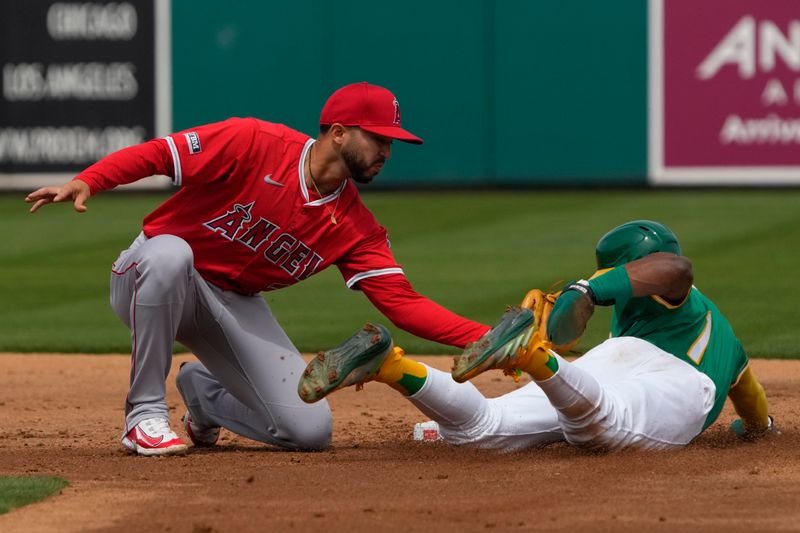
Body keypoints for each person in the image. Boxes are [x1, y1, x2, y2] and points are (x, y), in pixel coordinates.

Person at [25, 82, 491, 456]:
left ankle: (203, 395)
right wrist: (89, 180)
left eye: (392, 142)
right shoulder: (254, 142)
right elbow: (160, 154)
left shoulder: (356, 227)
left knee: (310, 431)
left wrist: (489, 338)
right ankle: (143, 415)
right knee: (172, 254)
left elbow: (404, 305)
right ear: (339, 132)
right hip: (148, 274)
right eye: (379, 138)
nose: (387, 151)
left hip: (230, 302)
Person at [299, 220, 774, 451]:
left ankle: (392, 366)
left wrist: (589, 286)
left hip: (619, 363)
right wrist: (758, 429)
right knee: (598, 430)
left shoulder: (677, 292)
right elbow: (750, 398)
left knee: (480, 430)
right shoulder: (710, 331)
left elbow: (676, 269)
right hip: (672, 383)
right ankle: (531, 356)